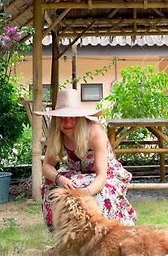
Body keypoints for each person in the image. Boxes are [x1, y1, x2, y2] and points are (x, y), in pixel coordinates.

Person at [37, 88, 137, 228]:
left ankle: (103, 232)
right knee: (50, 185)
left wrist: (86, 193)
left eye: (72, 118)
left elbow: (102, 176)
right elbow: (47, 166)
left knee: (99, 195)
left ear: (80, 118)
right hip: (78, 174)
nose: (67, 123)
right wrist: (60, 179)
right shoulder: (57, 135)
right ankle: (64, 232)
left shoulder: (94, 132)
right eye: (63, 118)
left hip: (105, 175)